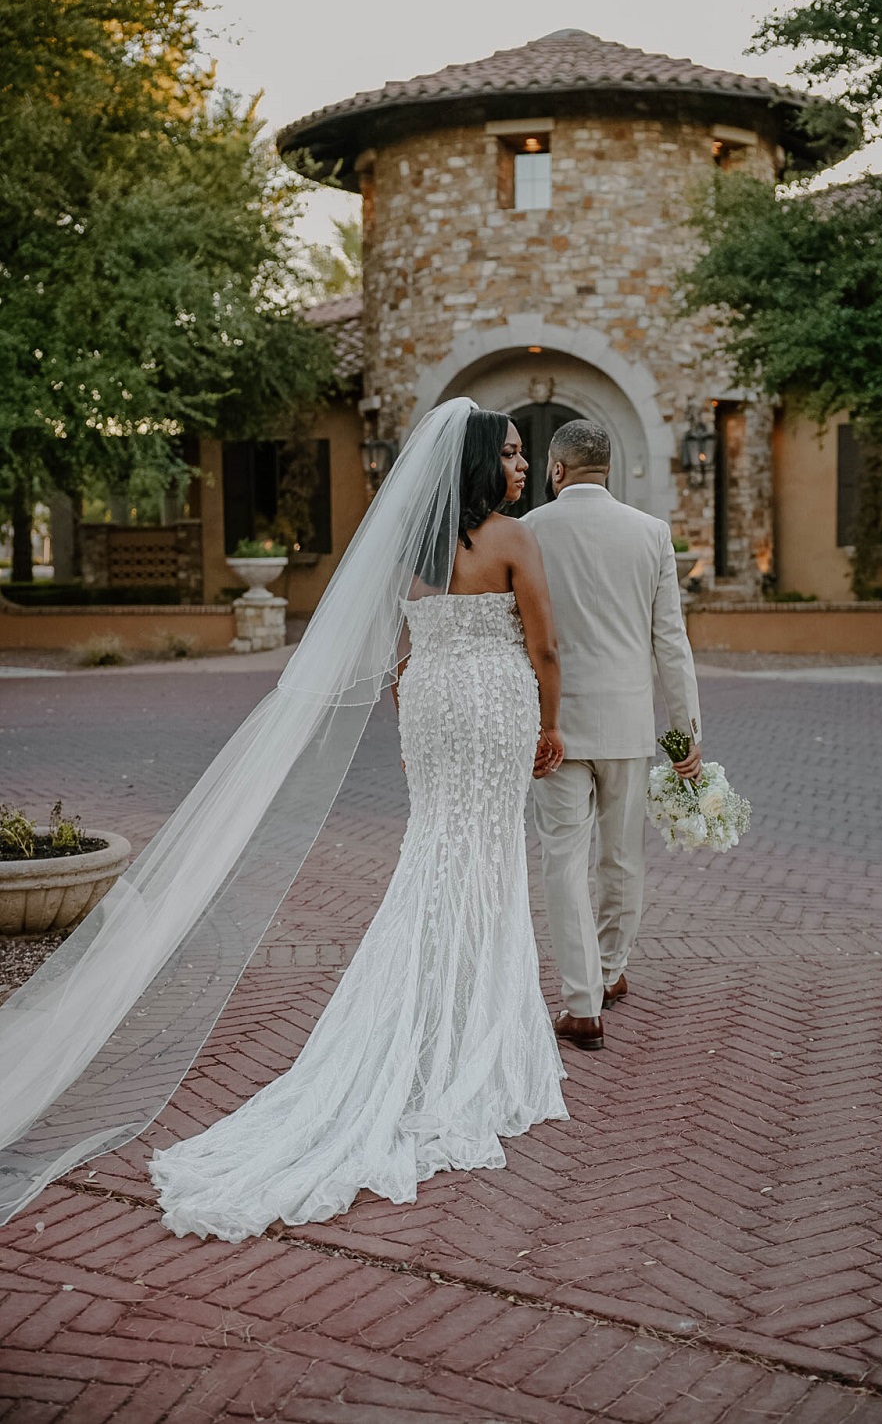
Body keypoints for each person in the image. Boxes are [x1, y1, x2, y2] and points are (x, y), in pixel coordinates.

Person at [148, 408, 569, 1241]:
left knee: (436, 851)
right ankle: (468, 1030)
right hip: (493, 702)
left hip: (432, 705)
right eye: (513, 454)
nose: (522, 468)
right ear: (484, 464)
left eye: (526, 455)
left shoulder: (413, 550)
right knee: (487, 856)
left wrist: (412, 703)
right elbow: (546, 648)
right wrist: (553, 726)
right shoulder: (515, 539)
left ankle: (430, 1013)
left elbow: (400, 647)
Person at [524, 419, 703, 1052]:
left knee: (562, 860)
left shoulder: (529, 532)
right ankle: (610, 970)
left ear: (556, 468)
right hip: (628, 725)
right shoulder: (651, 534)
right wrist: (684, 733)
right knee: (622, 855)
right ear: (608, 468)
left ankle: (581, 1003)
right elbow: (670, 642)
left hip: (555, 728)